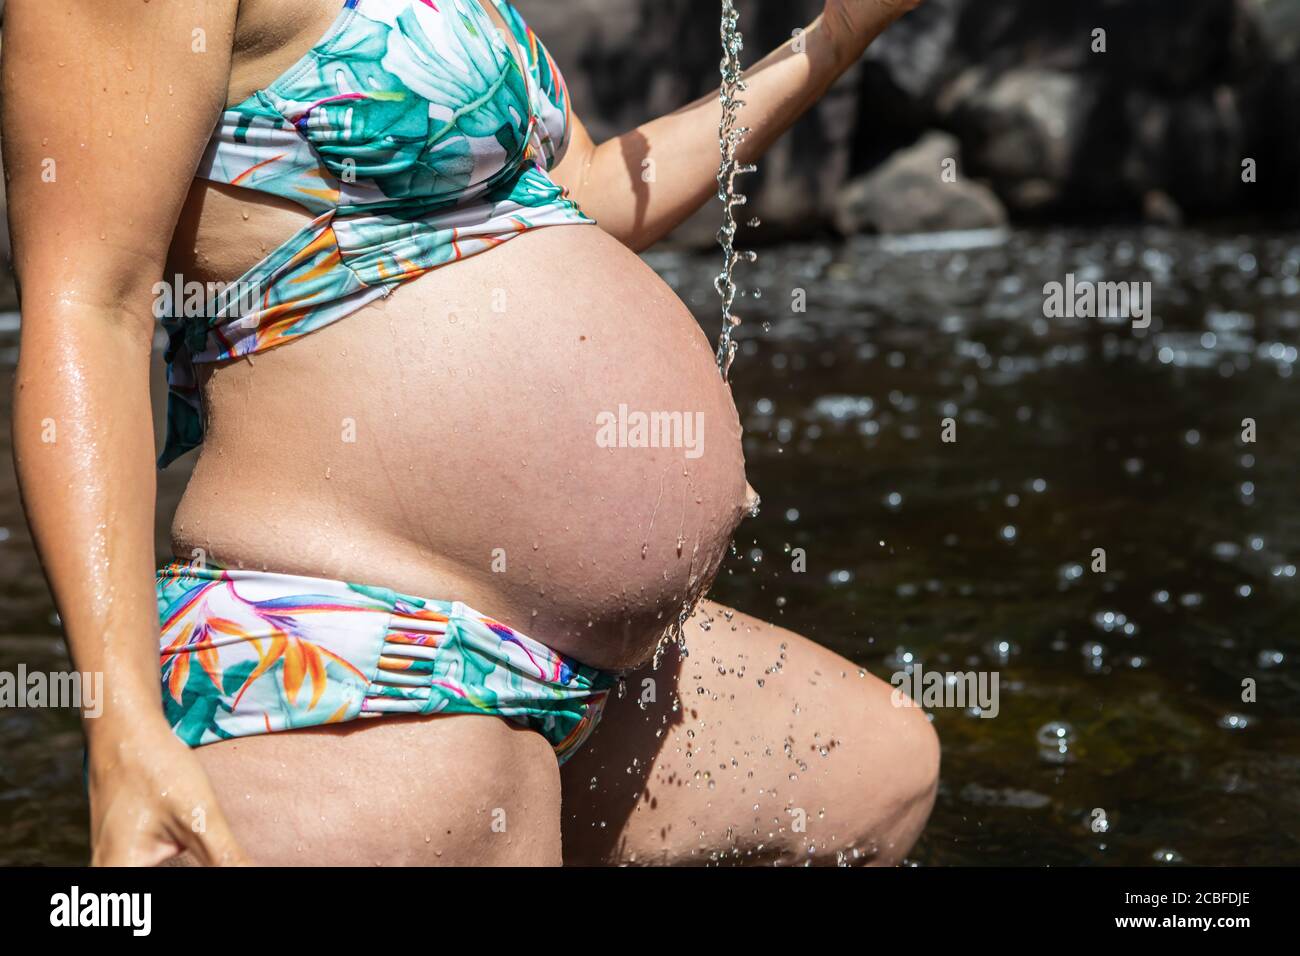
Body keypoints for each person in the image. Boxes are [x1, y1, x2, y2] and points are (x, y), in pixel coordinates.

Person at [3, 0, 936, 866]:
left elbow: (591, 190)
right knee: (473, 803)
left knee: (874, 768)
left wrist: (837, 36)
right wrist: (119, 725)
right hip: (349, 641)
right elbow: (92, 305)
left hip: (580, 670)